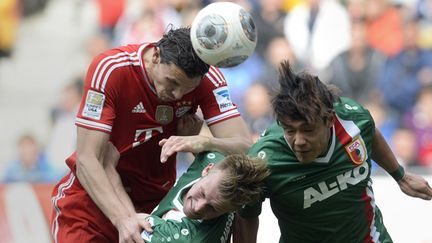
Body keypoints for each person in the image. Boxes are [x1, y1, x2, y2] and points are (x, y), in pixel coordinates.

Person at [51, 26, 252, 243]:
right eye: (172, 82)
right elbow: (88, 160)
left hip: (154, 208)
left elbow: (245, 147)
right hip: (92, 203)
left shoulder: (209, 79)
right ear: (156, 56)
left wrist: (201, 142)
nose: (176, 94)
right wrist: (123, 219)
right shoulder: (111, 69)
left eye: (187, 89)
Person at [234, 61, 432, 243]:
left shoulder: (354, 119)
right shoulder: (264, 159)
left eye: (308, 130)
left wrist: (400, 175)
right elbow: (246, 217)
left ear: (330, 120)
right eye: (290, 131)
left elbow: (371, 132)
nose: (299, 141)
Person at [101, 142, 269, 243]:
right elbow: (236, 147)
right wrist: (197, 137)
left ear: (231, 210)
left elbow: (130, 222)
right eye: (202, 194)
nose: (197, 208)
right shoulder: (212, 161)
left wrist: (109, 169)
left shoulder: (183, 237)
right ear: (207, 169)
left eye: (212, 208)